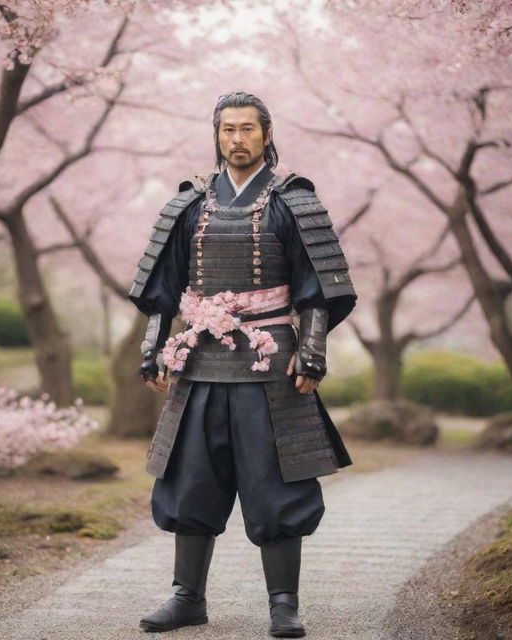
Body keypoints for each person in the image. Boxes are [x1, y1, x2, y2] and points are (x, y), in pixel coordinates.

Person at [128, 91, 357, 638]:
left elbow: (317, 288)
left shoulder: (293, 200)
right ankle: (187, 597)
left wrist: (313, 350)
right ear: (216, 134)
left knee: (276, 479)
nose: (237, 139)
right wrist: (153, 348)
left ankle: (283, 605)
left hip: (270, 360)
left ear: (267, 134)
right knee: (191, 479)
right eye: (228, 129)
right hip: (200, 360)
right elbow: (162, 289)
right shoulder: (189, 204)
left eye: (247, 129)